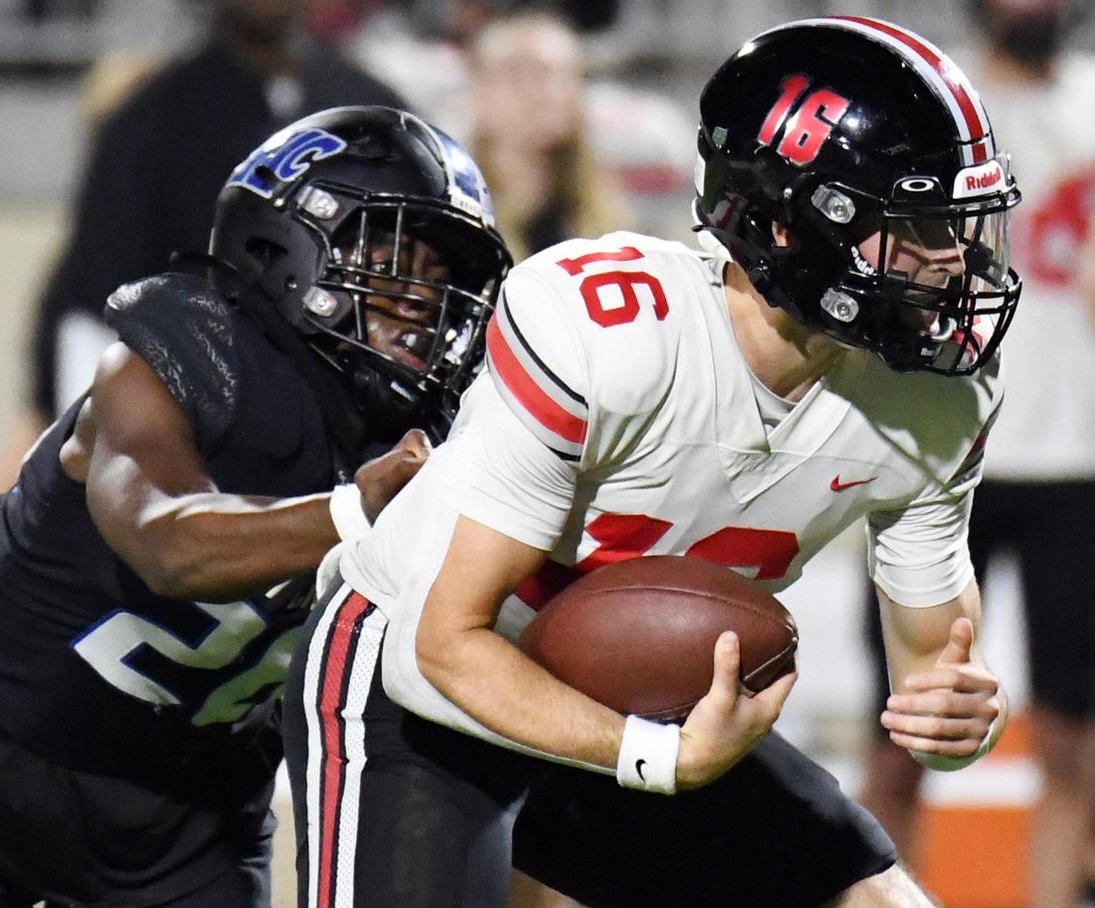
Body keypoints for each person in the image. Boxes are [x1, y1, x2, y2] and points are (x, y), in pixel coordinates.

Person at [283, 17, 1020, 908]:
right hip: (422, 684)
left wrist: (962, 723)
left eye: (963, 225)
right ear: (789, 225)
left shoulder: (937, 395)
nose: (955, 264)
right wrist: (652, 755)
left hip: (641, 695)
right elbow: (440, 646)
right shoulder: (617, 333)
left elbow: (934, 679)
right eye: (919, 226)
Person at [0, 106, 510, 907]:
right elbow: (166, 544)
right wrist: (354, 514)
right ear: (281, 244)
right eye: (390, 257)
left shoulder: (439, 436)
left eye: (439, 274)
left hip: (185, 819)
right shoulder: (194, 348)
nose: (422, 300)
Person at [0, 0, 411, 504]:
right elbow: (92, 309)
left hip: (355, 421)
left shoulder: (367, 105)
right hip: (196, 433)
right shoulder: (152, 120)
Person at [857, 1, 1095, 904]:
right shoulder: (932, 100)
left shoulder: (1091, 103)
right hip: (936, 442)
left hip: (1079, 456)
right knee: (902, 732)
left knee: (1073, 738)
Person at [467, 9, 629, 263]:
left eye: (565, 74)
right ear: (479, 89)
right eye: (526, 73)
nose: (550, 91)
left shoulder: (606, 219)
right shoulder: (459, 217)